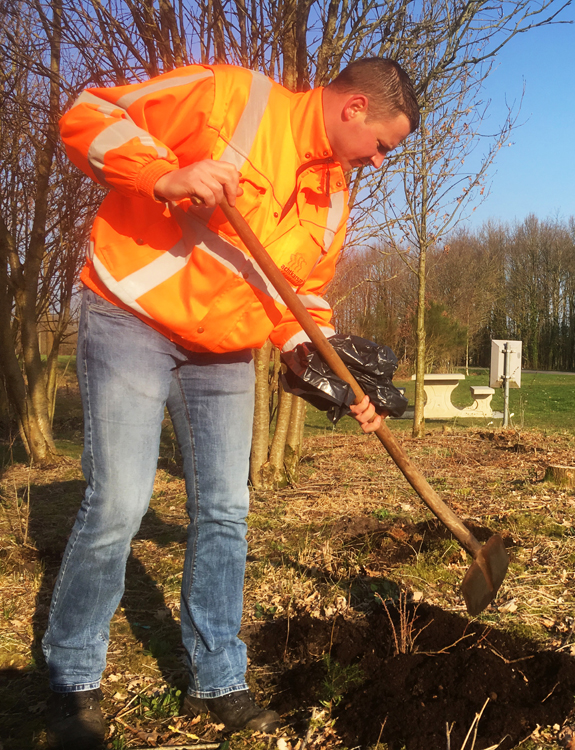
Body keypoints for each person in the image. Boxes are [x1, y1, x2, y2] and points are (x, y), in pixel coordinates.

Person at [42, 58, 419, 749]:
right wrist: (165, 174)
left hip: (225, 351)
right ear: (355, 108)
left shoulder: (334, 194)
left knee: (224, 510)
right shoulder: (233, 97)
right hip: (134, 315)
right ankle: (72, 678)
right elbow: (89, 115)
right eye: (383, 145)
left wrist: (336, 372)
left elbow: (298, 294)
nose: (378, 161)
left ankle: (217, 678)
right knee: (121, 502)